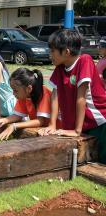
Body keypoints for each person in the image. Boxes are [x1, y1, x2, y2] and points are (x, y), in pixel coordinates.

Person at [38, 29, 106, 164]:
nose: (50, 55)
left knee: (102, 161)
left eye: (52, 51)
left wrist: (76, 130)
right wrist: (52, 124)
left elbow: (81, 98)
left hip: (100, 122)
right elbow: (55, 96)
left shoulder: (84, 61)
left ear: (66, 52)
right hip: (83, 123)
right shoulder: (60, 68)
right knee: (84, 159)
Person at [0, 68, 58, 140]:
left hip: (57, 130)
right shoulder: (24, 95)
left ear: (29, 88)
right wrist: (3, 121)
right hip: (43, 131)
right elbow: (17, 115)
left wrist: (14, 126)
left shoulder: (44, 94)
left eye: (15, 91)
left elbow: (40, 121)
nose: (13, 94)